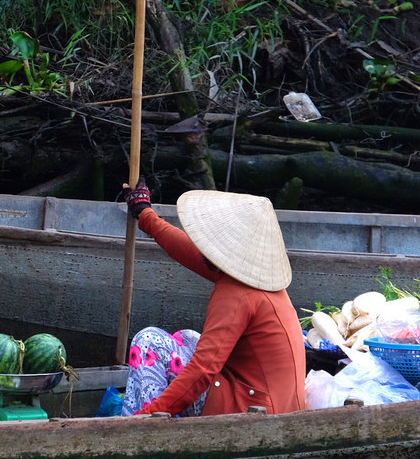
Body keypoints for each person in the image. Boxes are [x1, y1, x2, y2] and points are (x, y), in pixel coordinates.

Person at [119, 178, 307, 416]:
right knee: (186, 338)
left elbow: (203, 369)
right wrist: (144, 213)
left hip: (255, 412)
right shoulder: (255, 277)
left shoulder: (235, 293)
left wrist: (149, 417)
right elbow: (187, 250)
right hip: (275, 401)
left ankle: (140, 429)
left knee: (148, 342)